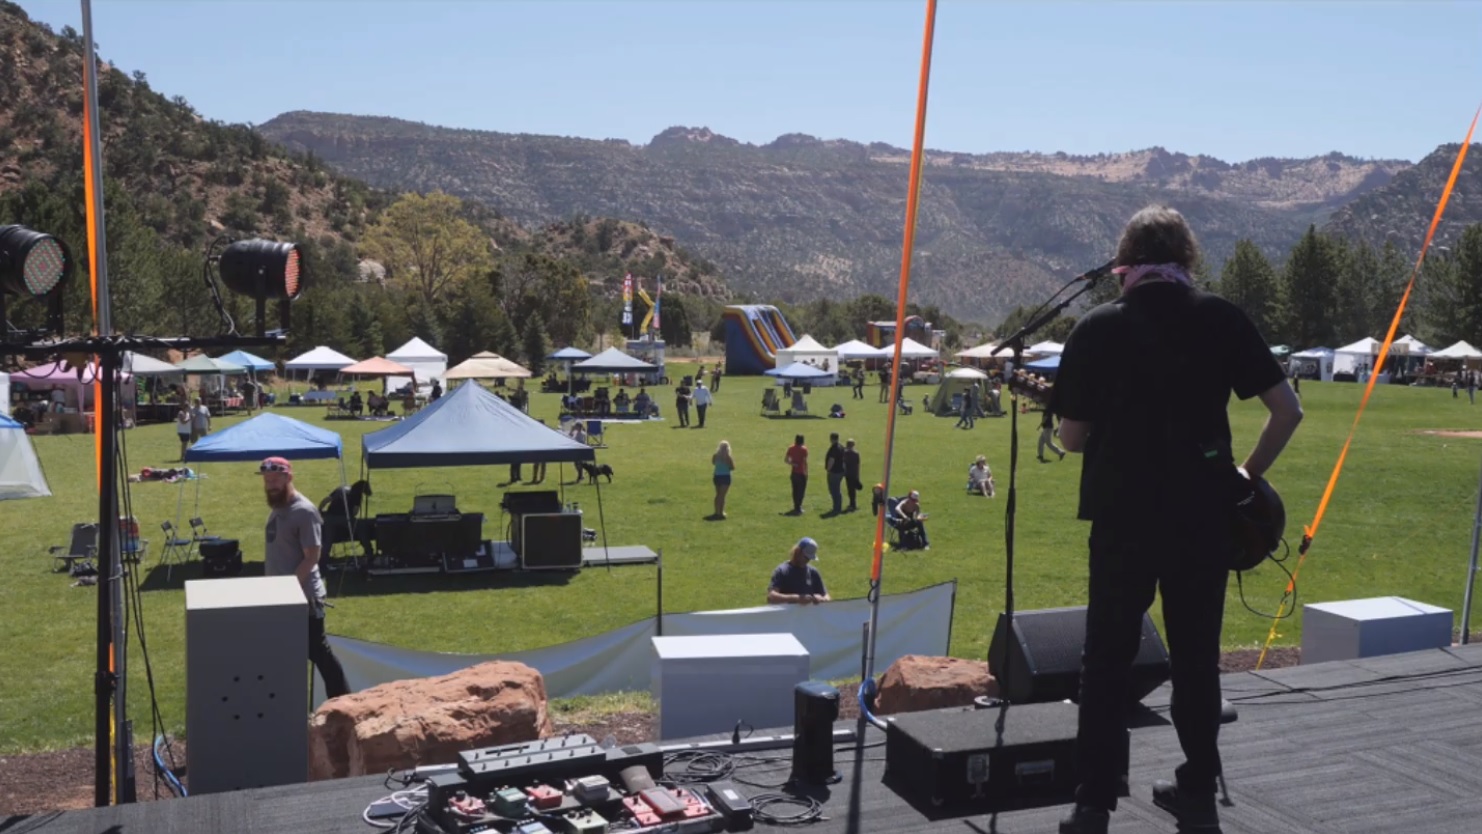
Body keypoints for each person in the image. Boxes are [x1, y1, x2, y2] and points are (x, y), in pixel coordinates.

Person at [1051, 206, 1303, 834]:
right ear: (1187, 258)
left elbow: (1073, 440)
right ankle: (1195, 787)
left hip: (1122, 516)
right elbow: (1287, 410)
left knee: (1105, 657)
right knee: (1195, 655)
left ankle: (1093, 800)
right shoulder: (1219, 318)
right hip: (1200, 517)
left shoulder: (1097, 327)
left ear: (1124, 261)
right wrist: (1245, 475)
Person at [259, 456, 351, 700]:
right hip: (281, 596)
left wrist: (287, 588)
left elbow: (312, 557)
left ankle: (343, 703)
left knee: (317, 651)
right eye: (267, 480)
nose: (271, 485)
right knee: (287, 652)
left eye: (276, 479)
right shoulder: (279, 508)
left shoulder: (304, 512)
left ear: (289, 477)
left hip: (304, 598)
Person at [766, 537, 830, 604]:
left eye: (809, 558)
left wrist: (822, 599)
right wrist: (797, 598)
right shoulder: (782, 571)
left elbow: (827, 596)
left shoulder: (813, 573)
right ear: (798, 551)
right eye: (806, 557)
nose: (807, 561)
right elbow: (771, 597)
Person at [320, 479, 374, 556]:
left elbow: (326, 499)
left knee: (328, 540)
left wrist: (320, 509)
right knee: (361, 529)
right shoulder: (357, 494)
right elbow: (355, 512)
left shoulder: (340, 488)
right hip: (344, 518)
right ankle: (369, 552)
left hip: (330, 517)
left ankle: (323, 560)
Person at [784, 434, 808, 516]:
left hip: (794, 472)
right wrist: (806, 472)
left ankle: (796, 506)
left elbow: (786, 460)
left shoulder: (791, 448)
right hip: (801, 473)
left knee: (795, 490)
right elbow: (805, 462)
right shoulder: (804, 449)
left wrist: (793, 464)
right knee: (801, 491)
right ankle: (799, 507)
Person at [711, 440, 735, 519]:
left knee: (718, 495)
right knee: (722, 496)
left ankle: (717, 511)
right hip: (725, 477)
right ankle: (721, 512)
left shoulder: (715, 456)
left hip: (717, 476)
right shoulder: (728, 457)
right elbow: (732, 467)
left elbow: (713, 463)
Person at [824, 433, 845, 515]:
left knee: (834, 490)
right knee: (836, 490)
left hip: (834, 472)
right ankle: (837, 506)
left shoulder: (834, 448)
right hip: (841, 471)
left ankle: (837, 508)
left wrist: (828, 469)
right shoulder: (841, 446)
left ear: (831, 439)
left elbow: (831, 460)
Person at [842, 439, 862, 512]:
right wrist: (858, 475)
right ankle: (852, 504)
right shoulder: (856, 454)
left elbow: (843, 463)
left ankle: (852, 504)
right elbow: (858, 465)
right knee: (852, 490)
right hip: (854, 473)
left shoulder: (845, 453)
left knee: (850, 489)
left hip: (847, 474)